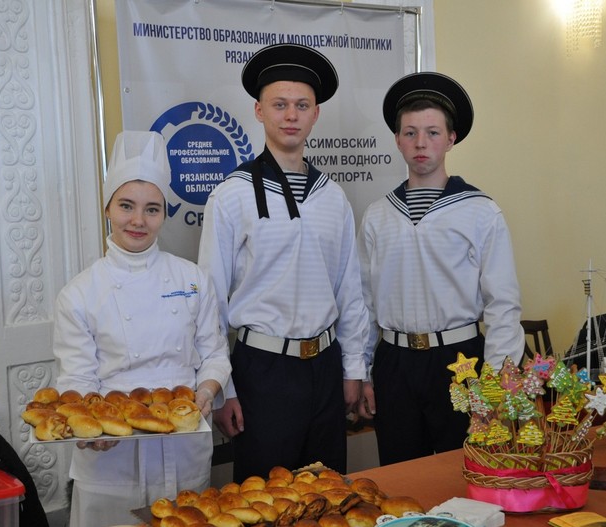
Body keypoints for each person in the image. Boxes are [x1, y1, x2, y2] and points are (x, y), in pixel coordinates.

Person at [197, 43, 370, 481]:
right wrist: (223, 389)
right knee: (264, 499)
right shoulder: (232, 194)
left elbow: (350, 291)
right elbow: (210, 300)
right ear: (259, 111)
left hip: (325, 367)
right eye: (279, 104)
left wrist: (353, 369)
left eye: (301, 105)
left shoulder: (333, 198)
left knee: (328, 494)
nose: (291, 115)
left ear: (315, 115)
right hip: (262, 371)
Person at [53, 131, 231, 527]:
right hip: (110, 460)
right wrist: (90, 427)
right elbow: (77, 378)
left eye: (152, 209)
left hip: (183, 447)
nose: (138, 221)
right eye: (126, 206)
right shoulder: (79, 293)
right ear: (107, 208)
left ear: (164, 213)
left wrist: (206, 392)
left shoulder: (192, 278)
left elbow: (215, 354)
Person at [357, 72, 526, 465]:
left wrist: (497, 381)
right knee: (402, 473)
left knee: (463, 470)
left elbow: (503, 304)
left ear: (451, 138)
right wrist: (362, 371)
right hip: (395, 363)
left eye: (432, 132)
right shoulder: (378, 215)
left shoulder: (480, 211)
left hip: (460, 361)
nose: (421, 143)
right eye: (410, 132)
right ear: (397, 139)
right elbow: (363, 302)